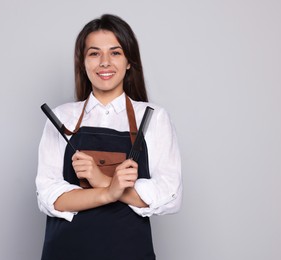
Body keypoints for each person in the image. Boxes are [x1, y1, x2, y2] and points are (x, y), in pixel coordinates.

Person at [36, 14, 182, 260]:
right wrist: (109, 191)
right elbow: (50, 197)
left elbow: (170, 196)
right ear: (82, 62)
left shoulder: (153, 117)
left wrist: (99, 178)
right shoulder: (61, 118)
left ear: (128, 62)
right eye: (94, 53)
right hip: (65, 252)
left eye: (115, 53)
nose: (105, 62)